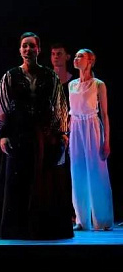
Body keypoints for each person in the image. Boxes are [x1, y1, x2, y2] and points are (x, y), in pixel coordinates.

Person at [0, 32, 73, 240]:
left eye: (32, 46)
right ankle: (16, 229)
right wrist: (3, 134)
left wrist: (62, 132)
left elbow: (59, 105)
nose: (28, 49)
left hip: (43, 135)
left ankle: (43, 229)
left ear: (38, 49)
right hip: (18, 134)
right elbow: (2, 106)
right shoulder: (10, 76)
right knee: (18, 182)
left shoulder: (50, 76)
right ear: (20, 50)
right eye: (24, 46)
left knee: (44, 182)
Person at [69, 49, 114, 231]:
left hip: (92, 127)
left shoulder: (98, 84)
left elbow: (104, 114)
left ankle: (102, 220)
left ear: (90, 61)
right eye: (75, 56)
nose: (76, 58)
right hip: (76, 128)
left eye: (80, 56)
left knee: (96, 172)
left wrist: (106, 141)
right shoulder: (72, 85)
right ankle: (81, 220)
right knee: (77, 172)